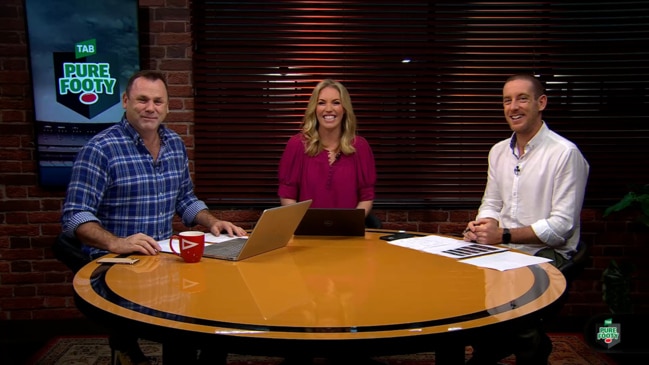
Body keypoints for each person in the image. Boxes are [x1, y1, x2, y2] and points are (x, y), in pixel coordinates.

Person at [60, 70, 246, 365]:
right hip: (117, 262)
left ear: (168, 106)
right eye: (142, 99)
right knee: (181, 322)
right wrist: (117, 243)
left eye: (158, 101)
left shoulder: (175, 145)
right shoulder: (100, 149)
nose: (151, 107)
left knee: (217, 302)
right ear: (125, 101)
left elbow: (184, 199)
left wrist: (212, 222)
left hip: (163, 257)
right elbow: (75, 216)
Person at [462, 74, 590, 365]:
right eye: (507, 100)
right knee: (461, 287)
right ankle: (489, 348)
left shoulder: (565, 154)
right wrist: (484, 228)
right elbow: (491, 202)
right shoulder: (498, 152)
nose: (513, 107)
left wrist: (503, 235)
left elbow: (561, 227)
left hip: (546, 253)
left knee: (518, 310)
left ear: (541, 102)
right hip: (503, 249)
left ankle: (529, 349)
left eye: (522, 98)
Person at [278, 79, 377, 217]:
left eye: (336, 102)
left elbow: (366, 197)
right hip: (306, 232)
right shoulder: (297, 145)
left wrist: (351, 223)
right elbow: (287, 194)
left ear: (345, 109)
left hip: (348, 233)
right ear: (314, 109)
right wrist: (303, 223)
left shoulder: (360, 147)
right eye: (321, 103)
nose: (328, 109)